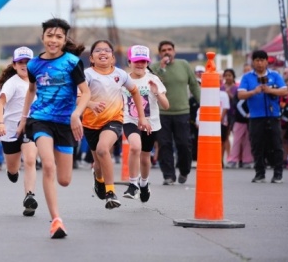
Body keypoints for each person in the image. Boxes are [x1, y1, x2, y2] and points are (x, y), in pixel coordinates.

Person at [16, 18, 91, 239]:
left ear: (64, 39)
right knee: (48, 165)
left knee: (64, 180)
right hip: (40, 119)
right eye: (50, 35)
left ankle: (56, 214)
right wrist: (24, 117)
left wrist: (76, 114)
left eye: (59, 37)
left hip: (65, 123)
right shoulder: (33, 65)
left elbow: (85, 93)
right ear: (43, 38)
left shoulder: (72, 62)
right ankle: (56, 220)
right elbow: (31, 90)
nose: (53, 40)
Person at [83, 41, 150, 209]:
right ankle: (98, 179)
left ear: (113, 57)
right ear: (91, 58)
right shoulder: (87, 75)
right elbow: (77, 96)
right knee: (97, 162)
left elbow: (134, 91)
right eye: (98, 50)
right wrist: (90, 104)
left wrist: (141, 117)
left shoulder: (120, 74)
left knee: (102, 149)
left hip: (113, 120)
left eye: (107, 50)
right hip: (90, 123)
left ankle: (110, 192)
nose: (102, 53)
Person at [0, 46, 39, 216]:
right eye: (21, 62)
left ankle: (29, 197)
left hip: (31, 127)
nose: (24, 65)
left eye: (28, 62)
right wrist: (0, 122)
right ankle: (11, 171)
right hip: (10, 130)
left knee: (30, 160)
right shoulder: (12, 83)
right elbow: (0, 104)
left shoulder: (39, 81)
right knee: (14, 168)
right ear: (14, 65)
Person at [122, 45, 169, 202]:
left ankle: (144, 183)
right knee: (135, 147)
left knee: (145, 157)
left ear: (147, 63)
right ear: (129, 62)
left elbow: (166, 105)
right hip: (130, 120)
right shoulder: (124, 80)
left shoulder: (152, 79)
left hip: (151, 123)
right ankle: (133, 184)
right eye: (136, 61)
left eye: (143, 61)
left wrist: (156, 91)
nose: (140, 64)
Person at [150, 41, 200, 185]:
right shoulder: (154, 68)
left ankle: (184, 171)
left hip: (182, 111)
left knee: (184, 143)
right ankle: (168, 176)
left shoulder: (184, 64)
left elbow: (194, 85)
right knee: (164, 144)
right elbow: (155, 83)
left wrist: (203, 103)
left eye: (169, 49)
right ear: (160, 53)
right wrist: (162, 68)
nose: (167, 52)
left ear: (174, 51)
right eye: (164, 50)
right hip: (161, 113)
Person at [238, 50, 287, 184]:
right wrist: (254, 91)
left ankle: (278, 174)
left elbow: (285, 90)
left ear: (266, 61)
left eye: (262, 60)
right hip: (255, 116)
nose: (259, 63)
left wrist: (270, 90)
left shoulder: (275, 75)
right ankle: (260, 173)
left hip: (273, 115)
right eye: (257, 60)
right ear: (253, 62)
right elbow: (240, 95)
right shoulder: (247, 77)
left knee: (277, 144)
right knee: (256, 145)